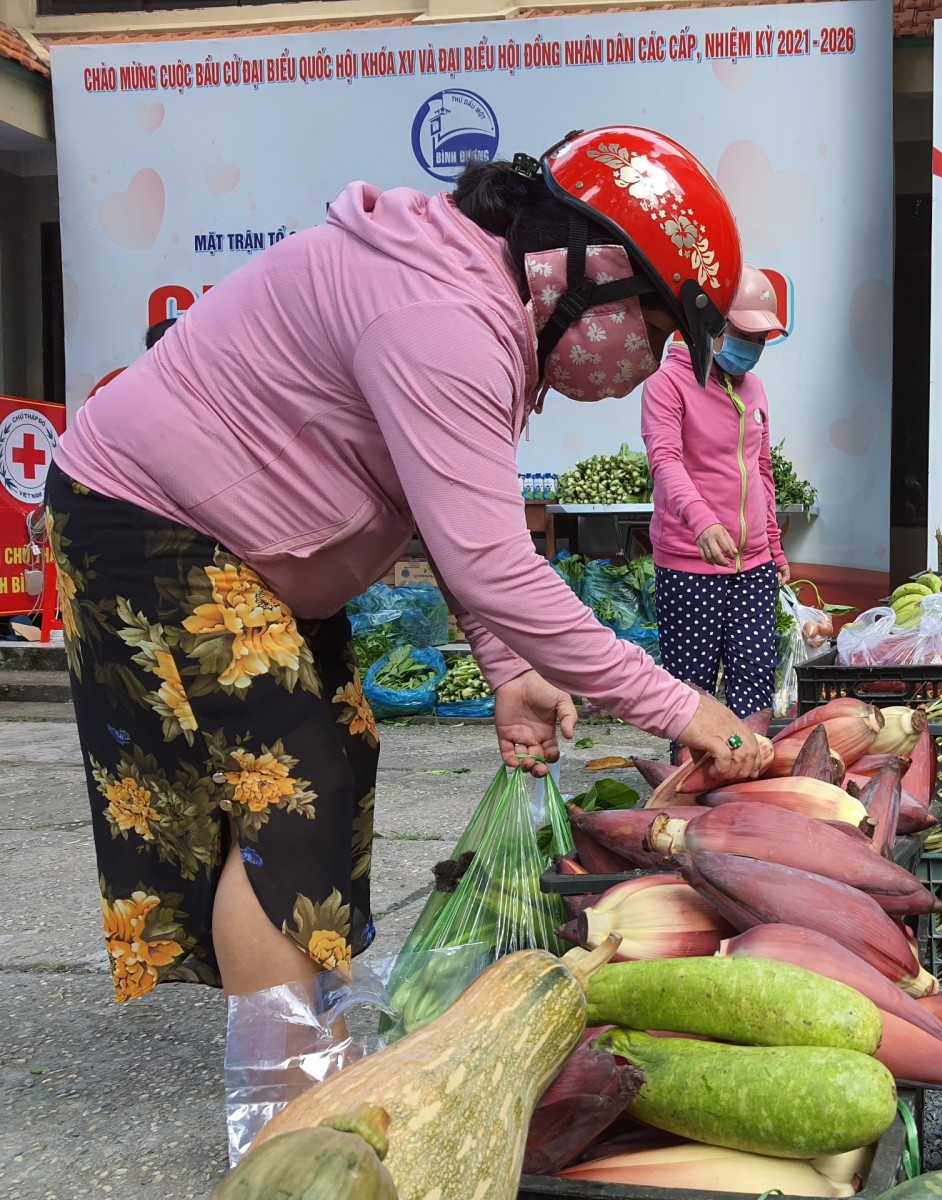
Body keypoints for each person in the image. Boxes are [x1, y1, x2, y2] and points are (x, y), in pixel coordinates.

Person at [47, 126, 765, 1009]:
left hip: (242, 539)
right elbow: (494, 565)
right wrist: (681, 705)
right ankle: (284, 1103)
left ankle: (304, 1026)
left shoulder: (477, 301)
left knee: (337, 754)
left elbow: (452, 520)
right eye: (653, 327)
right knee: (292, 791)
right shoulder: (443, 315)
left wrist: (508, 672)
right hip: (150, 517)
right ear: (588, 261)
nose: (646, 360)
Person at [643, 265, 789, 731]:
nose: (756, 349)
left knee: (755, 683)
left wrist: (774, 546)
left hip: (754, 567)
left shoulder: (757, 389)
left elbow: (761, 472)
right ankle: (688, 791)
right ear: (712, 322)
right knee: (692, 693)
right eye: (746, 334)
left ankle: (745, 791)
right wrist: (703, 522)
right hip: (689, 564)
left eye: (763, 338)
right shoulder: (666, 383)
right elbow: (665, 460)